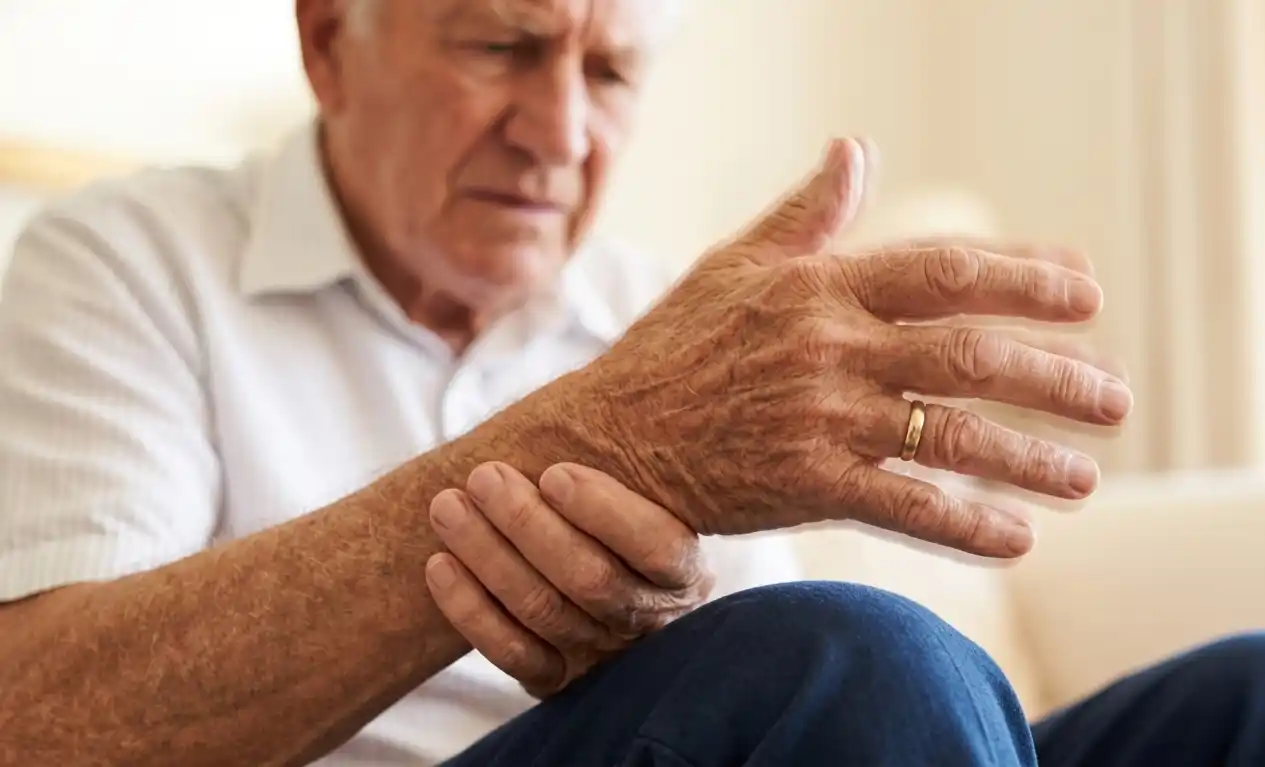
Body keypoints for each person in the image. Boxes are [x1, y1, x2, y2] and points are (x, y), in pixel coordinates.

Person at [0, 0, 1260, 765]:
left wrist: (655, 627)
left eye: (607, 73)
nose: (557, 132)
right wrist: (604, 441)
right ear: (330, 43)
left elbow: (767, 678)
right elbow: (43, 724)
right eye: (502, 45)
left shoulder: (660, 318)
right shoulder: (127, 259)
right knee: (858, 658)